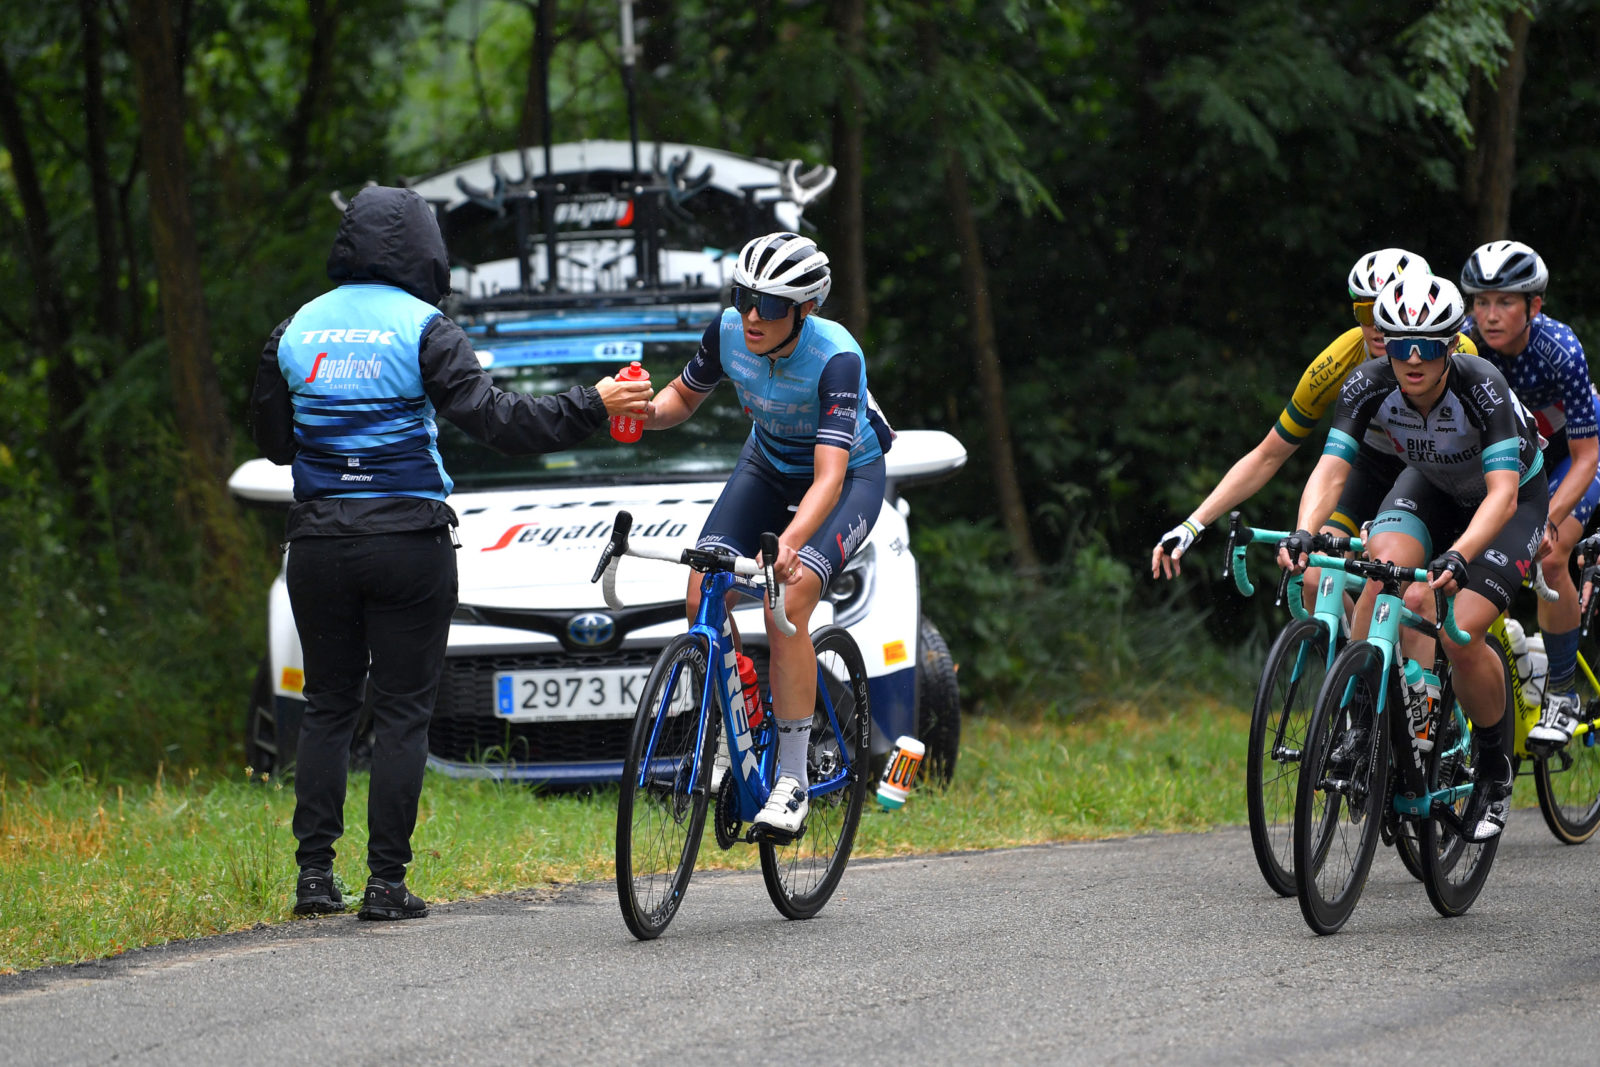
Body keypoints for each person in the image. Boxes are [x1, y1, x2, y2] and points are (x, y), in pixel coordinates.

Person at [249, 186, 652, 920]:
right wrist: (593, 402)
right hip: (409, 542)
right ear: (423, 248)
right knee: (403, 712)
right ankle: (385, 883)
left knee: (329, 705)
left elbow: (274, 443)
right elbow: (501, 423)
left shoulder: (294, 328)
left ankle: (313, 877)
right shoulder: (426, 329)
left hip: (319, 543)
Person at [637, 231, 892, 837]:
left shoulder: (836, 357)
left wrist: (790, 544)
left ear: (805, 310)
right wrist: (641, 413)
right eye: (745, 297)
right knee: (702, 590)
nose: (753, 315)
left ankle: (794, 779)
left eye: (771, 305)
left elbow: (829, 477)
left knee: (789, 600)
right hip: (767, 464)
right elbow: (681, 397)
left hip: (847, 477)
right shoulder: (729, 331)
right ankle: (741, 728)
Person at [1279, 273, 1547, 841]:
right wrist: (1305, 531)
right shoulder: (1367, 382)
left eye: (1428, 345)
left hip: (1510, 503)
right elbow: (1332, 469)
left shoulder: (1482, 385)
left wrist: (1459, 555)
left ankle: (1494, 770)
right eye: (1401, 345)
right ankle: (1367, 724)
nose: (1414, 359)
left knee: (1459, 634)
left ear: (1451, 345)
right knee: (1380, 575)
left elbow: (1501, 494)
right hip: (1432, 487)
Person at [1152, 248, 1469, 579]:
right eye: (1366, 311)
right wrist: (1193, 524)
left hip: (1434, 470)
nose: (1377, 325)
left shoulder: (1456, 353)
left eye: (1390, 311)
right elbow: (1268, 455)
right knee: (1316, 575)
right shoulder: (1339, 361)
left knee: (1408, 579)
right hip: (1370, 466)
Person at [1459, 241, 1599, 749]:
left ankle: (1562, 694)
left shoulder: (1560, 349)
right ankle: (1512, 654)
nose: (1490, 315)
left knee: (1552, 553)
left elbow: (1587, 456)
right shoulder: (1463, 344)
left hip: (1569, 459)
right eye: (1481, 302)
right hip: (1508, 461)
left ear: (1534, 306)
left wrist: (1546, 519)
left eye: (1505, 302)